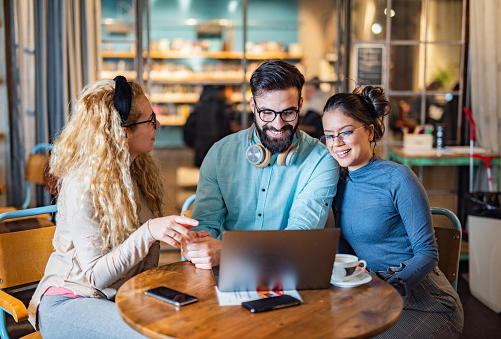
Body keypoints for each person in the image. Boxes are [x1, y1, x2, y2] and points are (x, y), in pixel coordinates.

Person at [28, 76, 199, 339]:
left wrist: (180, 238)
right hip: (71, 301)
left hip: (114, 297)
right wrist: (149, 231)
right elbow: (96, 277)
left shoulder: (139, 170)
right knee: (152, 334)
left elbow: (144, 259)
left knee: (188, 320)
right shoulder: (81, 184)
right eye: (151, 120)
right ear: (122, 132)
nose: (159, 124)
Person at [321, 84, 464, 338]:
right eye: (329, 135)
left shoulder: (398, 178)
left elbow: (428, 253)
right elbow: (346, 245)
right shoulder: (338, 182)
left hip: (425, 300)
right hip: (373, 289)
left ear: (370, 131)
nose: (336, 143)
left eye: (345, 132)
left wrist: (391, 289)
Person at [182, 59, 340, 269]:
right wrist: (201, 247)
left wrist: (230, 253)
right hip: (224, 272)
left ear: (300, 105)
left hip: (287, 270)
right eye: (267, 113)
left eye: (288, 113)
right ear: (253, 106)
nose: (278, 124)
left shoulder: (321, 160)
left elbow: (299, 238)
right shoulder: (220, 153)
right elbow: (204, 230)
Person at [183, 85, 235, 167]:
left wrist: (193, 144)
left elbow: (188, 128)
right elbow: (230, 131)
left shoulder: (199, 107)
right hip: (220, 153)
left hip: (201, 152)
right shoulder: (225, 107)